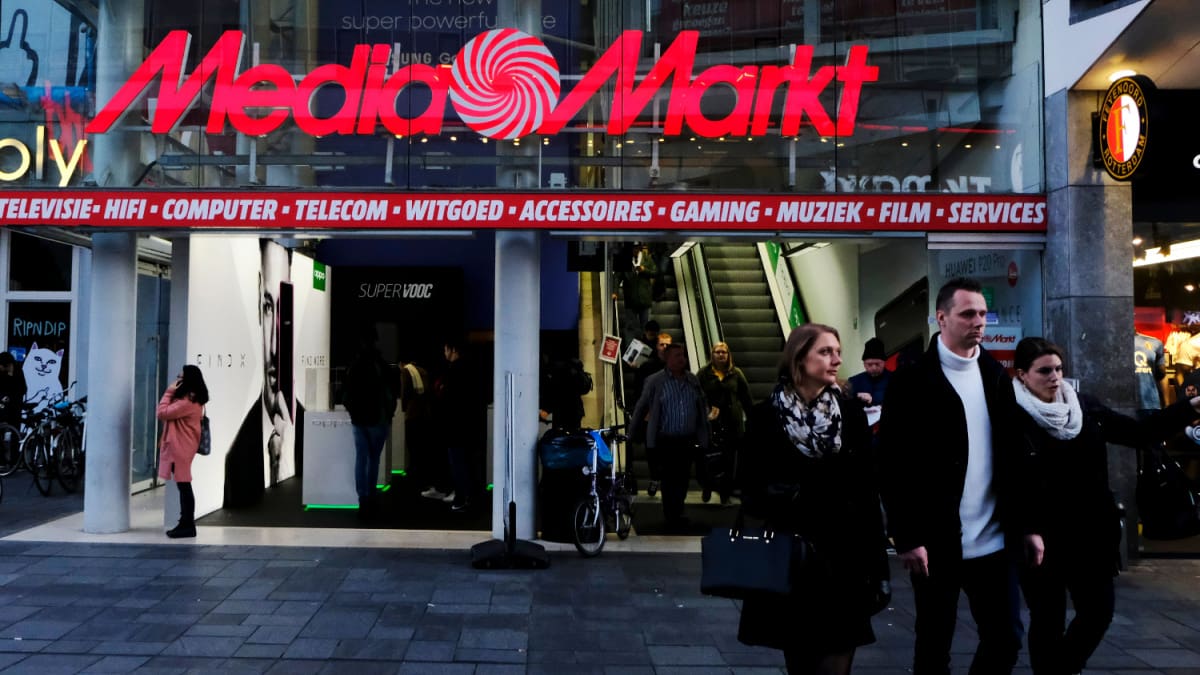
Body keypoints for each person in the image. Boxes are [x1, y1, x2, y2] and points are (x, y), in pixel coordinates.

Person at [1010, 337, 1200, 674]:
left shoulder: (1085, 407)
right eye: (1044, 371)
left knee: (1098, 613)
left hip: (1090, 532)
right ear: (1022, 375)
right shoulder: (1011, 417)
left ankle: (1061, 669)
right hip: (1041, 538)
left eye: (1058, 369)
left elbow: (1139, 432)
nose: (1054, 377)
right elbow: (1007, 478)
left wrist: (1189, 408)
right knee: (1047, 620)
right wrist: (1026, 527)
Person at [877, 277, 1023, 675]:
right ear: (941, 318)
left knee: (1006, 638)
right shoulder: (912, 379)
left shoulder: (995, 375)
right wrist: (906, 536)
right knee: (933, 645)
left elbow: (1014, 460)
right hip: (936, 542)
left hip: (993, 540)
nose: (979, 322)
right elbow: (892, 463)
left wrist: (1028, 525)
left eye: (982, 314)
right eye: (968, 314)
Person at [738, 324, 891, 674]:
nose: (836, 359)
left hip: (844, 558)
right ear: (799, 357)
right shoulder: (766, 416)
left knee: (837, 663)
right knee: (800, 662)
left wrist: (879, 568)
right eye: (825, 352)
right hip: (792, 558)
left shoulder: (850, 413)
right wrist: (783, 493)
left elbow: (868, 491)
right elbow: (749, 486)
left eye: (837, 351)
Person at [225, 240, 293, 507]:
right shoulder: (236, 457)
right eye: (267, 307)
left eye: (283, 311)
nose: (275, 347)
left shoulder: (306, 433)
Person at [630, 342, 710, 531]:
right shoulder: (655, 381)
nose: (681, 359)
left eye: (682, 355)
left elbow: (701, 405)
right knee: (669, 478)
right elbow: (641, 407)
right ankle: (671, 513)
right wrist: (631, 432)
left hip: (688, 439)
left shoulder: (692, 380)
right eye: (677, 356)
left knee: (682, 478)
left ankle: (678, 510)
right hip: (666, 439)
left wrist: (705, 432)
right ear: (667, 359)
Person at [343, 327, 398, 516]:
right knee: (373, 459)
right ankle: (371, 495)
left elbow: (346, 395)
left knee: (362, 458)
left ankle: (363, 498)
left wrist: (354, 413)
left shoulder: (355, 366)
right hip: (378, 419)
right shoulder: (381, 365)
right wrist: (389, 414)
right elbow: (390, 393)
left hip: (360, 420)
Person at [696, 341, 753, 504]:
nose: (721, 355)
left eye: (724, 352)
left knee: (729, 461)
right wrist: (704, 413)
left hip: (732, 424)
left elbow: (746, 399)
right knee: (708, 458)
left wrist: (752, 420)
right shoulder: (703, 374)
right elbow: (696, 397)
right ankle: (707, 486)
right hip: (710, 424)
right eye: (718, 352)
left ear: (728, 355)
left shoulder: (736, 374)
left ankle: (725, 493)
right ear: (712, 354)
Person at [157, 365, 210, 539]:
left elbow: (162, 412)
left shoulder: (188, 401)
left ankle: (187, 524)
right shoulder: (192, 399)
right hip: (183, 446)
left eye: (180, 379)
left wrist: (169, 391)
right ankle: (185, 522)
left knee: (184, 485)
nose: (177, 382)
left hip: (181, 447)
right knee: (183, 485)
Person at [434, 338, 482, 512]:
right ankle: (468, 496)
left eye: (446, 349)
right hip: (468, 425)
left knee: (458, 463)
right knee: (467, 462)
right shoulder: (470, 369)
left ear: (453, 350)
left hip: (455, 426)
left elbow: (447, 399)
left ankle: (461, 498)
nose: (444, 353)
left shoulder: (453, 371)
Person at [848, 337, 891, 407]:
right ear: (864, 364)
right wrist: (856, 397)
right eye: (870, 364)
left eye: (877, 364)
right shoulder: (853, 382)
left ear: (884, 362)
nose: (874, 368)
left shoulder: (895, 379)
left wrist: (873, 399)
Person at [0, 351, 27, 427]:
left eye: (1, 365)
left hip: (14, 407)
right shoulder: (2, 373)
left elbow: (22, 389)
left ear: (7, 365)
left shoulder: (18, 372)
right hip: (3, 405)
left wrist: (11, 375)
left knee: (14, 425)